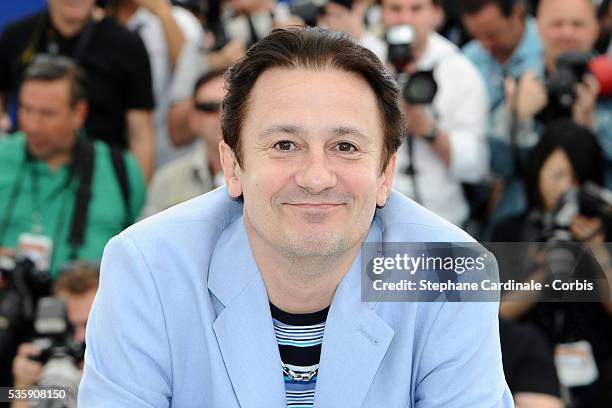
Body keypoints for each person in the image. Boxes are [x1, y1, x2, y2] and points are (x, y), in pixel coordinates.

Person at [79, 26, 512, 407]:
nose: (316, 177)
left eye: (345, 147)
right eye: (285, 145)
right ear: (233, 167)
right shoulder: (148, 268)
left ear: (385, 173)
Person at [492, 120, 612, 408]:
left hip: (599, 364)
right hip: (528, 365)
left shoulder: (604, 230)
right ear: (538, 171)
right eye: (557, 175)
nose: (565, 189)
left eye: (577, 180)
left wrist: (596, 249)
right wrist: (546, 269)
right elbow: (496, 314)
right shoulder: (512, 231)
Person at [0, 56, 146, 278]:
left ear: (79, 113)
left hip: (86, 311)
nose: (32, 125)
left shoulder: (121, 171)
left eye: (47, 114)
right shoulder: (4, 155)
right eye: (26, 109)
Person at [485, 0, 612, 226]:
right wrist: (518, 118)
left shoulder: (607, 84)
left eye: (577, 24)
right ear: (539, 28)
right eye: (557, 24)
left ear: (596, 28)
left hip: (593, 222)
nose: (567, 33)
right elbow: (497, 166)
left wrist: (590, 131)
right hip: (525, 219)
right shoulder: (519, 78)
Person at [0, 0, 156, 180]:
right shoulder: (18, 35)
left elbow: (141, 132)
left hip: (101, 177)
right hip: (27, 173)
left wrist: (137, 196)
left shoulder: (128, 44)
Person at [380, 0, 490, 226]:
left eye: (416, 9)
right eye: (395, 9)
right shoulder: (364, 60)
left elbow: (477, 166)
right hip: (374, 222)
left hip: (442, 220)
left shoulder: (459, 70)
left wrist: (428, 130)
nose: (405, 19)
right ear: (381, 12)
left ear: (436, 13)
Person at [111, 0, 205, 168]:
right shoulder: (95, 21)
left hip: (172, 156)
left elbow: (190, 78)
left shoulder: (181, 19)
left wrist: (163, 13)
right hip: (117, 155)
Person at [10, 260, 99, 408]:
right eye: (68, 326)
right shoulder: (40, 354)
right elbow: (4, 394)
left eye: (88, 324)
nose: (78, 336)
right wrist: (21, 388)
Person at [141, 70, 226, 218]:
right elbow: (145, 239)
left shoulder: (266, 172)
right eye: (209, 107)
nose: (221, 115)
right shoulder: (167, 180)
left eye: (230, 105)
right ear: (194, 119)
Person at [461, 0, 543, 113]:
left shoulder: (548, 47)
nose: (485, 45)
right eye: (477, 37)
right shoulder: (468, 59)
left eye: (492, 35)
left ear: (517, 14)